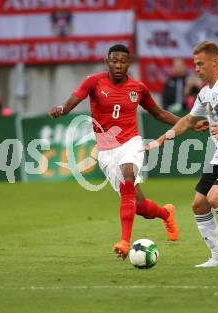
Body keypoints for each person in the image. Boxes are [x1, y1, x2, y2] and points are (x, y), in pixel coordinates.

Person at [48, 44, 207, 260]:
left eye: (123, 61)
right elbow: (70, 103)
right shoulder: (94, 82)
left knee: (128, 178)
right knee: (138, 205)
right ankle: (165, 213)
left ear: (129, 63)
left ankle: (124, 241)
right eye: (114, 61)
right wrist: (61, 109)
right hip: (106, 150)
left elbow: (158, 113)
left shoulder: (138, 88)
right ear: (107, 62)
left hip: (130, 143)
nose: (118, 65)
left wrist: (188, 123)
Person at [145, 40, 218, 268]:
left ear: (214, 61)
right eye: (195, 64)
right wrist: (160, 140)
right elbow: (188, 120)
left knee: (215, 198)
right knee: (199, 204)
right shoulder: (205, 93)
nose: (196, 69)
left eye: (200, 64)